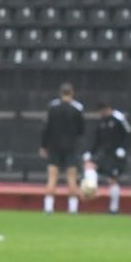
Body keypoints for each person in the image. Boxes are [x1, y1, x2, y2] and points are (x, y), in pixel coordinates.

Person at [40, 83, 85, 214]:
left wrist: (44, 145)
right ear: (72, 93)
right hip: (71, 146)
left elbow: (46, 128)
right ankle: (72, 208)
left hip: (54, 146)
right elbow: (81, 130)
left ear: (60, 93)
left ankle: (48, 207)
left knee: (52, 176)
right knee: (71, 177)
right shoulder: (77, 108)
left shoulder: (53, 107)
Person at [85, 102, 131, 214]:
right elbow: (97, 140)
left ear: (108, 109)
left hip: (116, 155)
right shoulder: (101, 121)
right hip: (104, 154)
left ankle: (114, 208)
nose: (101, 113)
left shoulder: (118, 118)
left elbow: (129, 134)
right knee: (90, 166)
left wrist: (123, 148)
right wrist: (90, 152)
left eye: (103, 110)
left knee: (112, 180)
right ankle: (90, 189)